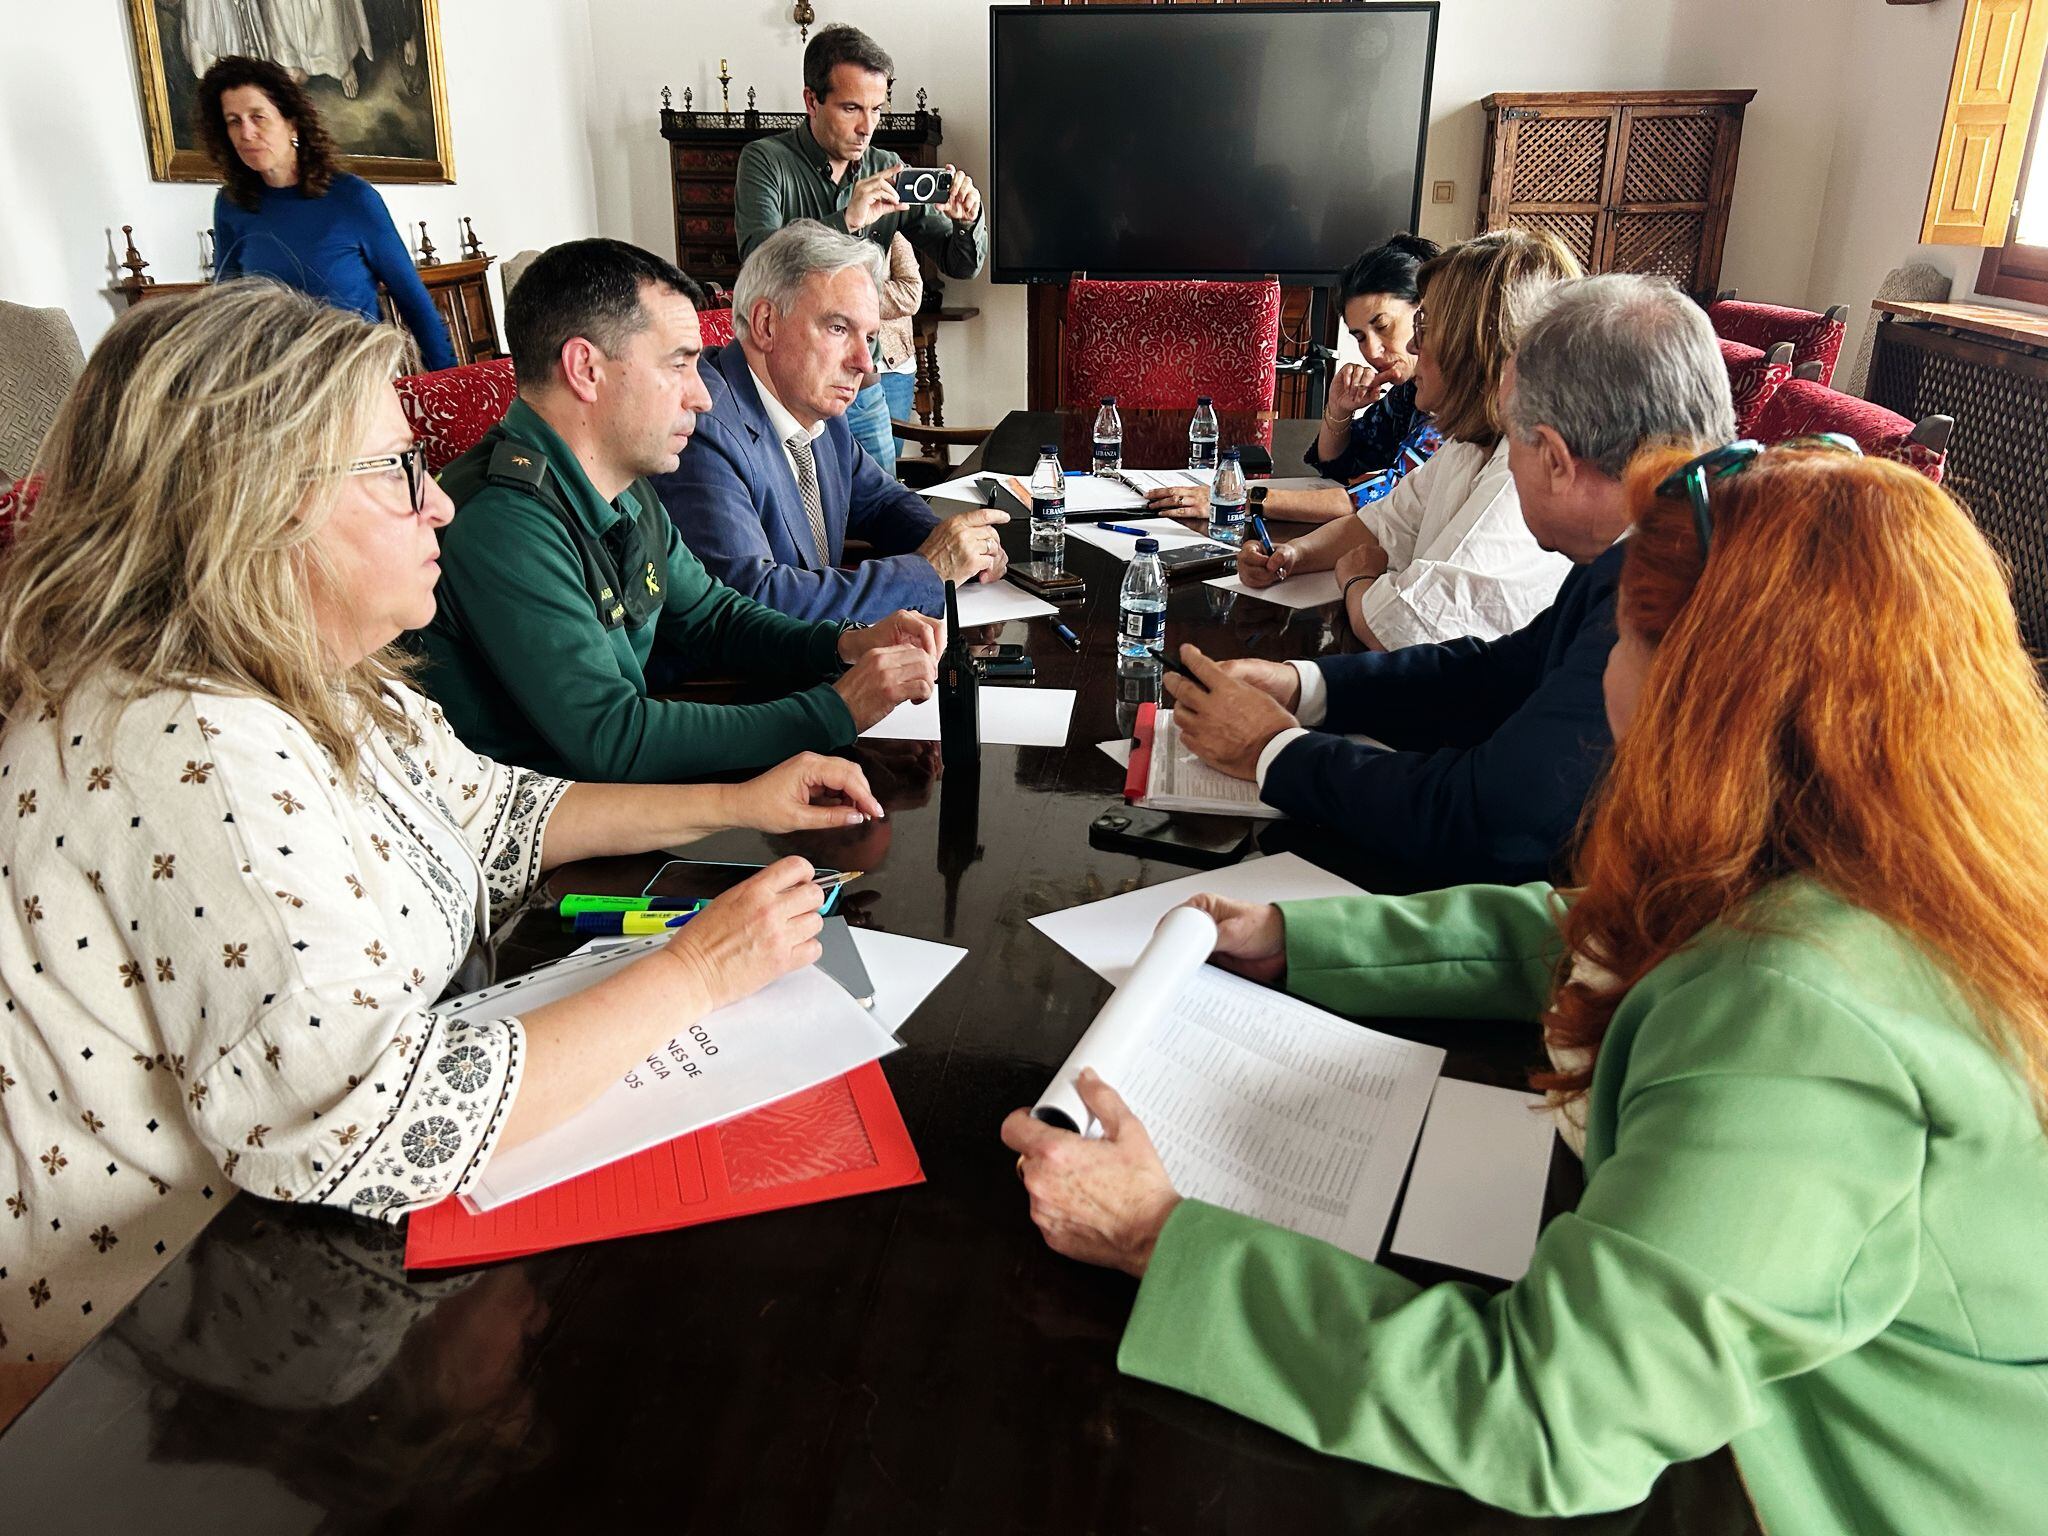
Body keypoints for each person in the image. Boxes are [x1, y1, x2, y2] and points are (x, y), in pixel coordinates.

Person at [1004, 442, 2048, 1535]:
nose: (1601, 671)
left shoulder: (1803, 1017)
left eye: (1621, 637)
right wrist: (1299, 940)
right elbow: (1607, 932)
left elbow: (1550, 1415)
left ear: (1703, 696)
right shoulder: (1904, 838)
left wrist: (1162, 1240)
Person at [0, 282, 890, 1386]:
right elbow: (370, 1118)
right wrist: (698, 973)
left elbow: (498, 808)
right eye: (394, 471)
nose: (440, 506)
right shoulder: (189, 741)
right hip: (183, 1324)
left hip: (297, 1256)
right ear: (251, 503)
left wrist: (740, 802)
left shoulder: (310, 666)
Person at [1167, 275, 1735, 888]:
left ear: (1553, 457)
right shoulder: (1664, 537)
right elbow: (1496, 675)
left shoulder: (1671, 598)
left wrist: (1271, 751)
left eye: (1511, 435)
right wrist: (1306, 686)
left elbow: (1487, 820)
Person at [414, 238, 940, 782]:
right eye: (679, 364)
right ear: (585, 369)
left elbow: (714, 617)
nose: (702, 396)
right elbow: (613, 738)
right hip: (544, 818)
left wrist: (843, 643)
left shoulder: (623, 480)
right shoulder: (505, 521)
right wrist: (838, 709)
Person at [1215, 230, 1581, 650]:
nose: (1410, 344)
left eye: (1424, 326)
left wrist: (1356, 578)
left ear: (1474, 345)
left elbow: (1405, 628)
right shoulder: (1467, 443)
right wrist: (1293, 555)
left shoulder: (1517, 472)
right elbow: (1380, 522)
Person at [653, 221, 1005, 624]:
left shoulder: (817, 408)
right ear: (766, 324)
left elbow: (882, 502)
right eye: (839, 328)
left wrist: (966, 547)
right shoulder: (702, 429)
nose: (865, 363)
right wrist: (930, 571)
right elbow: (754, 601)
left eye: (869, 337)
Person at [734, 23, 987, 477]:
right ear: (811, 101)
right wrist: (847, 221)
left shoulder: (887, 167)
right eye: (851, 108)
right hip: (783, 387)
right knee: (794, 505)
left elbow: (959, 263)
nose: (867, 127)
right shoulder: (765, 161)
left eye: (876, 109)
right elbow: (757, 260)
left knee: (878, 498)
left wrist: (967, 221)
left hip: (861, 380)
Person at [1145, 234, 1442, 528]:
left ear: (1426, 312)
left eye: (1383, 326)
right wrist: (1338, 410)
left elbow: (1386, 496)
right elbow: (1338, 468)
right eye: (1360, 337)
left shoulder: (1451, 400)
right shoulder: (1408, 394)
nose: (1372, 351)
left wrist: (1239, 498)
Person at [197, 54, 455, 371]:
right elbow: (227, 312)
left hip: (357, 380)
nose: (246, 133)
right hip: (276, 383)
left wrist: (449, 386)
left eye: (258, 117)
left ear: (292, 123)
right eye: (234, 121)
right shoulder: (231, 205)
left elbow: (414, 302)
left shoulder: (352, 198)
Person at [878, 233, 923, 461]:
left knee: (888, 462)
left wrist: (849, 291)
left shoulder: (893, 230)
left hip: (893, 366)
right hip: (835, 366)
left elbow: (911, 294)